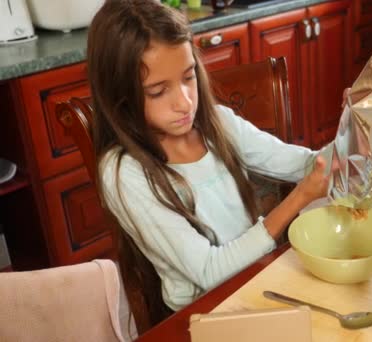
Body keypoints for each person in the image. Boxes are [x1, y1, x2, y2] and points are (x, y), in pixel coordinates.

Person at [87, 0, 332, 317]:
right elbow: (210, 272)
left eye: (188, 77)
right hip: (203, 314)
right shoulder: (123, 172)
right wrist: (300, 197)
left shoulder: (218, 123)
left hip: (258, 280)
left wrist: (353, 129)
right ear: (118, 97)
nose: (184, 102)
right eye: (158, 91)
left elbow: (306, 164)